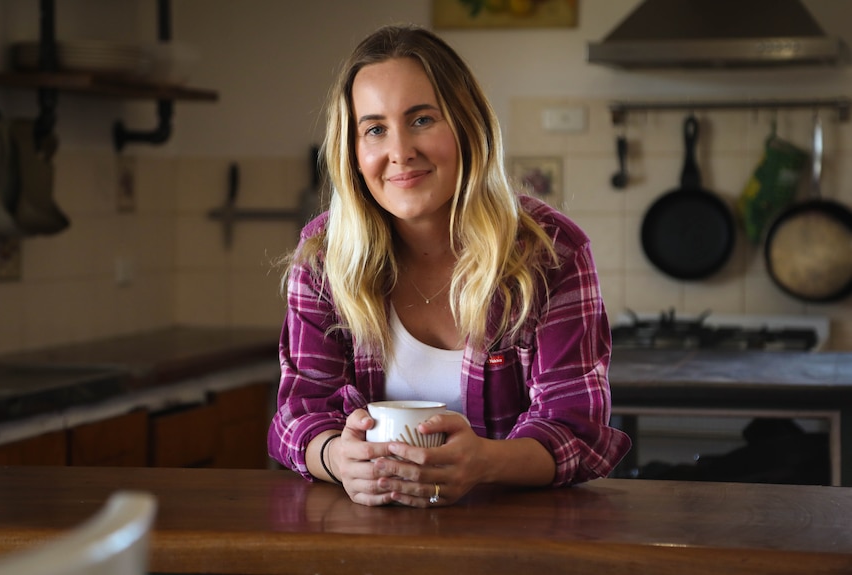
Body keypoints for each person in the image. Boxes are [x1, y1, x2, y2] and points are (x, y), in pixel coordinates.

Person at [268, 24, 631, 507]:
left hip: (517, 542)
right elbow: (298, 414)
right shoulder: (324, 256)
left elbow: (577, 429)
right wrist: (336, 457)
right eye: (374, 129)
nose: (400, 152)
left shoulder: (550, 251)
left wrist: (484, 463)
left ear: (467, 124)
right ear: (353, 153)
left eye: (421, 120)